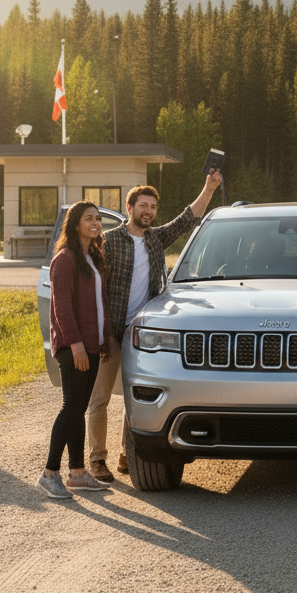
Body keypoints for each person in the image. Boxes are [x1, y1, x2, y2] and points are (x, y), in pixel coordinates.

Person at [86, 168, 224, 482]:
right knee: (99, 399)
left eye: (153, 208)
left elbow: (188, 218)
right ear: (129, 208)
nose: (148, 212)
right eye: (143, 206)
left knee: (138, 396)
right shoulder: (108, 242)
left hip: (144, 335)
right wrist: (101, 333)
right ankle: (96, 460)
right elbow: (94, 290)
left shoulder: (155, 239)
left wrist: (209, 186)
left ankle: (127, 454)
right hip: (111, 332)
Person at [38, 201, 112, 499]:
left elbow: (98, 304)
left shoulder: (91, 257)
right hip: (73, 347)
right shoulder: (65, 259)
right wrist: (77, 345)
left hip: (91, 345)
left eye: (97, 218)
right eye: (88, 218)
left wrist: (102, 340)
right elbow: (62, 308)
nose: (95, 222)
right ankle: (49, 474)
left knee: (79, 409)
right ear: (75, 224)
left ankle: (78, 473)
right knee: (71, 407)